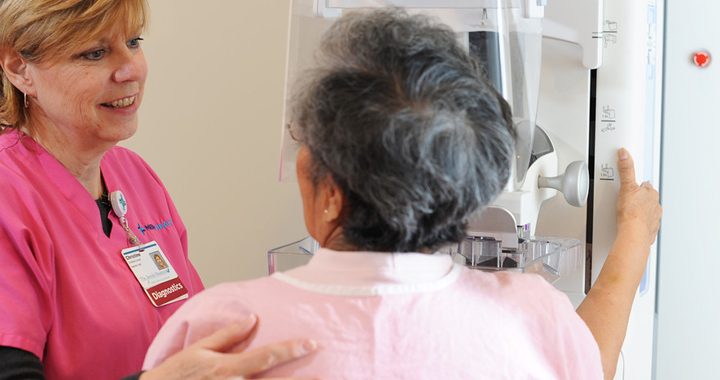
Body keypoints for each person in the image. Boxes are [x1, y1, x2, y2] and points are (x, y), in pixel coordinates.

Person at [143, 9, 661, 379]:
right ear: (473, 190)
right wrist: (632, 242)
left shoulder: (219, 331)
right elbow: (589, 363)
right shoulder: (530, 312)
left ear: (323, 188)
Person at [0, 1, 317, 379]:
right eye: (95, 53)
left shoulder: (134, 175)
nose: (130, 70)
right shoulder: (10, 195)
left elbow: (192, 330)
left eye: (134, 42)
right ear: (19, 68)